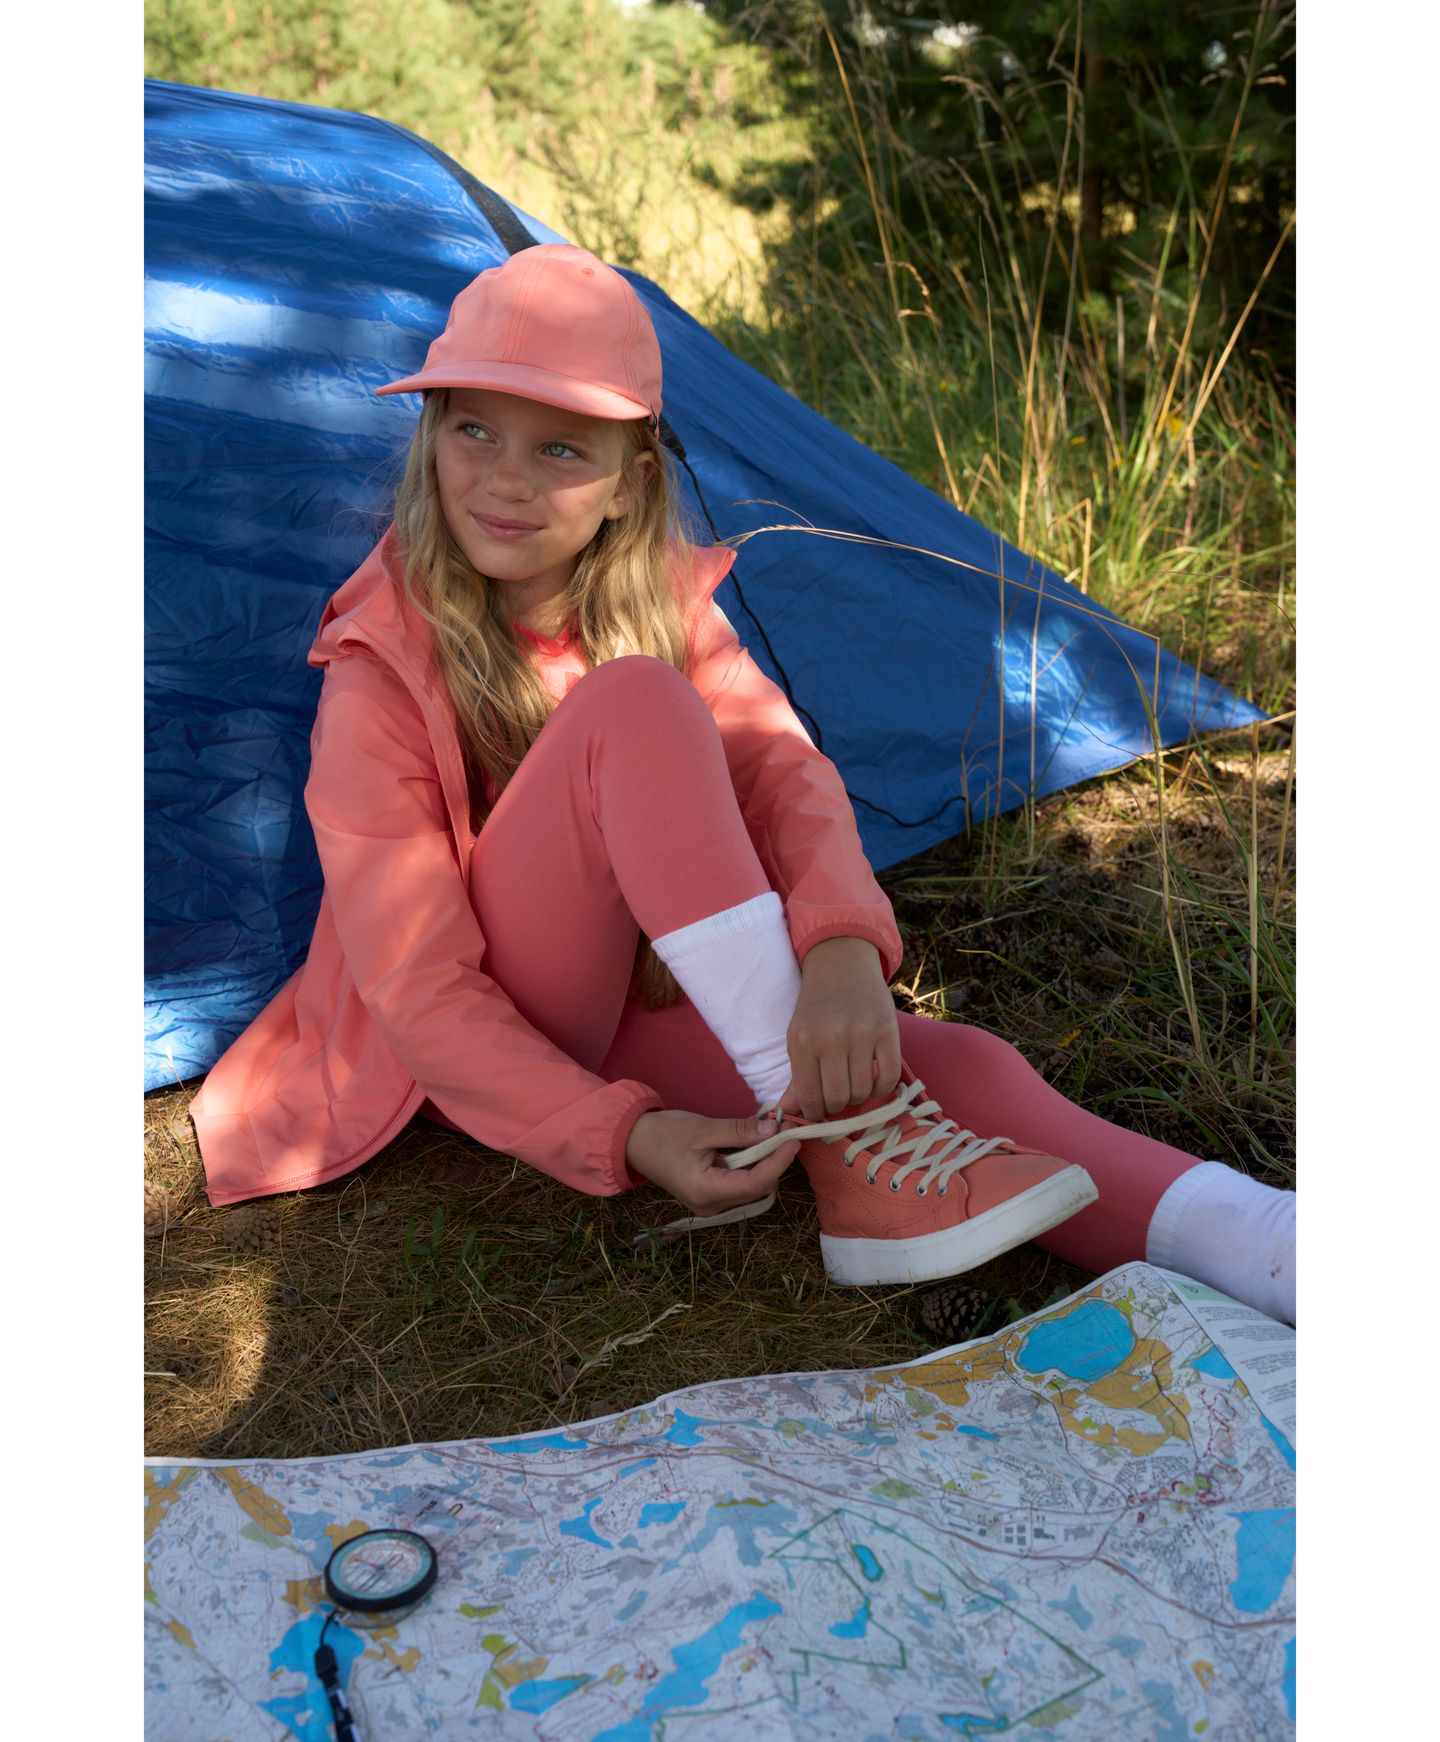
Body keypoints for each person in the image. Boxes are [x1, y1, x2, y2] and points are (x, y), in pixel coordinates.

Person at [190, 245, 1295, 1324]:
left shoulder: (664, 604)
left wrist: (843, 950)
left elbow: (783, 774)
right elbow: (421, 987)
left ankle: (1271, 1244)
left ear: (630, 484)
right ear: (431, 438)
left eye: (562, 448)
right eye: (472, 428)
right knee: (636, 703)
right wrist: (625, 1133)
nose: (506, 478)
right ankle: (856, 1154)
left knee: (953, 1060)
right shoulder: (382, 661)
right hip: (464, 1042)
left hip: (633, 1002)